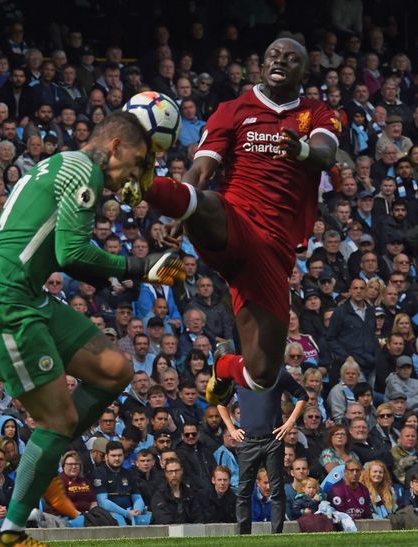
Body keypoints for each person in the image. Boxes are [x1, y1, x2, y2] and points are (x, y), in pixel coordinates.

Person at [0, 111, 184, 547]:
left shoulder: (54, 165)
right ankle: (13, 531)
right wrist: (141, 266)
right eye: (136, 161)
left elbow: (9, 240)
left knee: (115, 368)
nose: (132, 177)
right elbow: (72, 251)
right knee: (58, 420)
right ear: (115, 146)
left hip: (22, 294)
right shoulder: (85, 170)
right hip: (4, 303)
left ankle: (50, 446)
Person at [140, 37, 338, 399]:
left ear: (304, 71)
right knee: (209, 200)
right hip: (234, 222)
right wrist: (182, 211)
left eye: (291, 58)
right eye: (273, 55)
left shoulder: (316, 113)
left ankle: (224, 365)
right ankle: (140, 181)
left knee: (263, 374)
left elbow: (326, 154)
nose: (280, 60)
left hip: (273, 250)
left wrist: (302, 149)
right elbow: (201, 170)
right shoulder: (232, 109)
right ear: (261, 66)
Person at [217, 366, 308, 534]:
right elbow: (221, 404)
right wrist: (231, 428)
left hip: (273, 439)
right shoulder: (239, 375)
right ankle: (244, 535)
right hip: (248, 441)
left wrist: (290, 422)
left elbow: (302, 395)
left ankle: (277, 534)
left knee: (277, 489)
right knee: (244, 490)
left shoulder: (277, 373)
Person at [150, 457, 203, 524]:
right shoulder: (159, 495)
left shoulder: (190, 494)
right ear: (165, 473)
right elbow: (164, 519)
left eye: (176, 471)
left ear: (182, 471)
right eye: (170, 471)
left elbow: (198, 517)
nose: (174, 475)